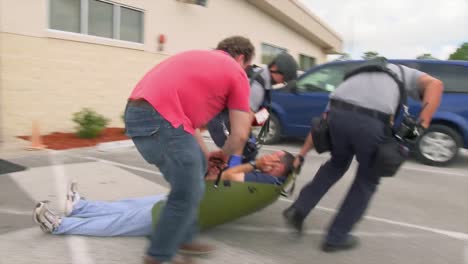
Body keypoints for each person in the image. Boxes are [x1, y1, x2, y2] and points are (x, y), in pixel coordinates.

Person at [283, 59, 443, 252]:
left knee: (336, 164)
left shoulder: (357, 76)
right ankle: (336, 238)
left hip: (337, 113)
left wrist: (301, 154)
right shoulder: (406, 74)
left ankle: (298, 209)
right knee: (368, 178)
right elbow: (436, 84)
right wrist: (421, 125)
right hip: (370, 121)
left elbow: (323, 121)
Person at [124, 36, 255, 264]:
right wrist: (225, 155)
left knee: (193, 178)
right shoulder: (236, 71)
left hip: (137, 117)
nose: (247, 71)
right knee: (187, 193)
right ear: (242, 58)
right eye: (248, 66)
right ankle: (157, 256)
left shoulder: (196, 58)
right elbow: (240, 134)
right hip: (163, 121)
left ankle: (183, 238)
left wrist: (206, 156)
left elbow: (186, 122)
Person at [32, 151, 294, 237]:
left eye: (276, 158)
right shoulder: (263, 180)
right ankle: (81, 208)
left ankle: (59, 225)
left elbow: (221, 178)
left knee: (122, 222)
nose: (270, 156)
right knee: (131, 205)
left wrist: (254, 165)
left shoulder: (261, 180)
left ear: (279, 168)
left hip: (184, 213)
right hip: (190, 199)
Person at [207, 52, 298, 163]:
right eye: (284, 78)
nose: (283, 82)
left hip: (228, 123)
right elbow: (243, 126)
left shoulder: (260, 76)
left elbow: (255, 117)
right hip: (224, 126)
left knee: (248, 152)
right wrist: (237, 157)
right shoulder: (257, 87)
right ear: (274, 68)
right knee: (244, 156)